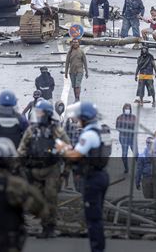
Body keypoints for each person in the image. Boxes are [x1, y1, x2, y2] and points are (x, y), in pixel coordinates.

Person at [56, 102, 112, 252]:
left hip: (92, 178)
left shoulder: (89, 134)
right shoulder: (102, 130)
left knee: (93, 219)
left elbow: (75, 155)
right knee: (97, 216)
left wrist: (62, 149)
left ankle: (97, 248)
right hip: (102, 174)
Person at [17, 99, 68, 237]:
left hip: (51, 169)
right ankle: (43, 222)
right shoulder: (31, 130)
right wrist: (21, 165)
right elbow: (22, 149)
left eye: (40, 113)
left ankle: (49, 227)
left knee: (50, 197)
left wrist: (66, 172)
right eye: (37, 113)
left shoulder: (56, 130)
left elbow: (67, 150)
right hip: (34, 170)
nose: (38, 115)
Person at [115, 103, 137, 172]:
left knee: (136, 153)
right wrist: (124, 131)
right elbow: (117, 127)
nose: (127, 110)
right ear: (123, 109)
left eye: (128, 108)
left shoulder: (134, 117)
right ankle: (126, 168)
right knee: (124, 154)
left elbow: (136, 127)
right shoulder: (120, 117)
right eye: (126, 108)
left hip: (132, 137)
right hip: (123, 138)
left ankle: (140, 166)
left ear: (130, 109)